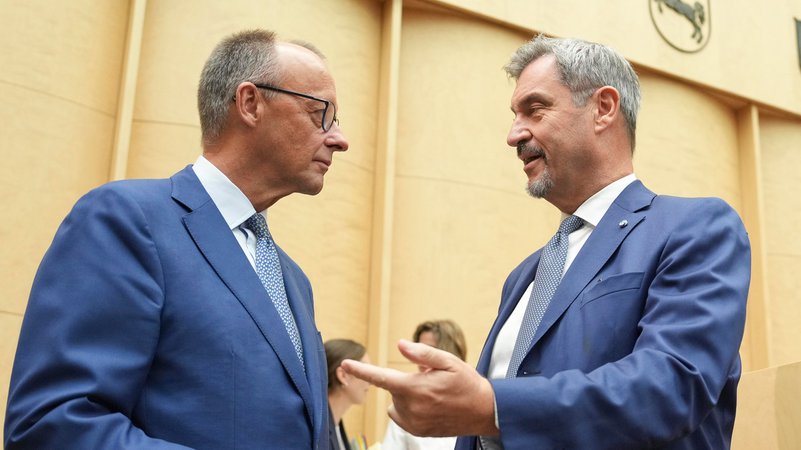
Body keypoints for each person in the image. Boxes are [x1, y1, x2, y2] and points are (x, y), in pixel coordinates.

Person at [341, 34, 750, 450]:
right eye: (515, 115)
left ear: (603, 108)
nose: (513, 134)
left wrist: (492, 407)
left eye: (534, 110)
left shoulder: (695, 228)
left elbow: (670, 388)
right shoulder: (524, 276)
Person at [5, 29, 348, 449]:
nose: (338, 138)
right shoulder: (127, 220)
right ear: (250, 103)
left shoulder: (293, 280)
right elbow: (54, 424)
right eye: (320, 114)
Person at [382, 320, 466, 450]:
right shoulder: (406, 407)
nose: (420, 361)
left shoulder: (475, 405)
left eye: (429, 352)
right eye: (418, 352)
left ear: (453, 355)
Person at [325, 339, 371, 450]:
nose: (371, 382)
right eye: (365, 372)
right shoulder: (319, 430)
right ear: (343, 375)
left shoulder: (336, 424)